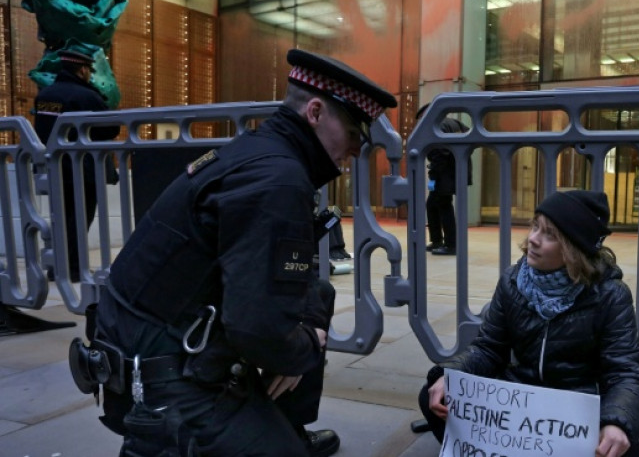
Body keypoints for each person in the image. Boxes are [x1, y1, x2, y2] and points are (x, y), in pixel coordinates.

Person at [88, 49, 396, 456]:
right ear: (316, 112)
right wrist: (305, 347)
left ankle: (282, 426)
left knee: (316, 298)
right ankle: (168, 440)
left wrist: (301, 338)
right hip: (160, 375)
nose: (356, 149)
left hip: (160, 337)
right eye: (354, 133)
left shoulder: (262, 153)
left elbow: (283, 280)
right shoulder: (278, 180)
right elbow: (256, 329)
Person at [418, 190, 639, 457]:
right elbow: (488, 348)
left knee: (625, 445)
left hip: (575, 411)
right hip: (519, 406)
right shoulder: (513, 281)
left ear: (574, 249)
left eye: (549, 234)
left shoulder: (610, 295)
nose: (533, 239)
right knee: (434, 395)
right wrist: (451, 375)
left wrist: (617, 422)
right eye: (535, 226)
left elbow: (626, 373)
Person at [33, 48, 119, 283]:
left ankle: (57, 267)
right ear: (82, 70)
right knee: (79, 219)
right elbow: (111, 128)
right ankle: (73, 269)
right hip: (83, 168)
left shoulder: (46, 95)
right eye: (89, 70)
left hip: (55, 166)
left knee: (60, 218)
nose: (90, 74)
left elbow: (42, 129)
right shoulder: (87, 96)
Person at [416, 103, 471, 256]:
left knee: (444, 206)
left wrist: (434, 171)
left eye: (421, 118)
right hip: (456, 170)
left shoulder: (437, 125)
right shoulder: (454, 123)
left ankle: (451, 245)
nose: (421, 122)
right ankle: (437, 240)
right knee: (433, 204)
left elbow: (441, 153)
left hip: (445, 174)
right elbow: (469, 137)